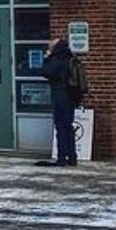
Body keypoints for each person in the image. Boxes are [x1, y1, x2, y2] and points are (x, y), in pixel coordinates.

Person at [40, 37, 77, 166]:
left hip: (60, 96)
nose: (49, 46)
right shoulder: (69, 57)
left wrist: (46, 59)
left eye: (51, 45)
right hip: (71, 96)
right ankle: (72, 157)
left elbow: (46, 72)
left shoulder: (57, 59)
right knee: (68, 127)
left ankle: (62, 157)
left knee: (61, 127)